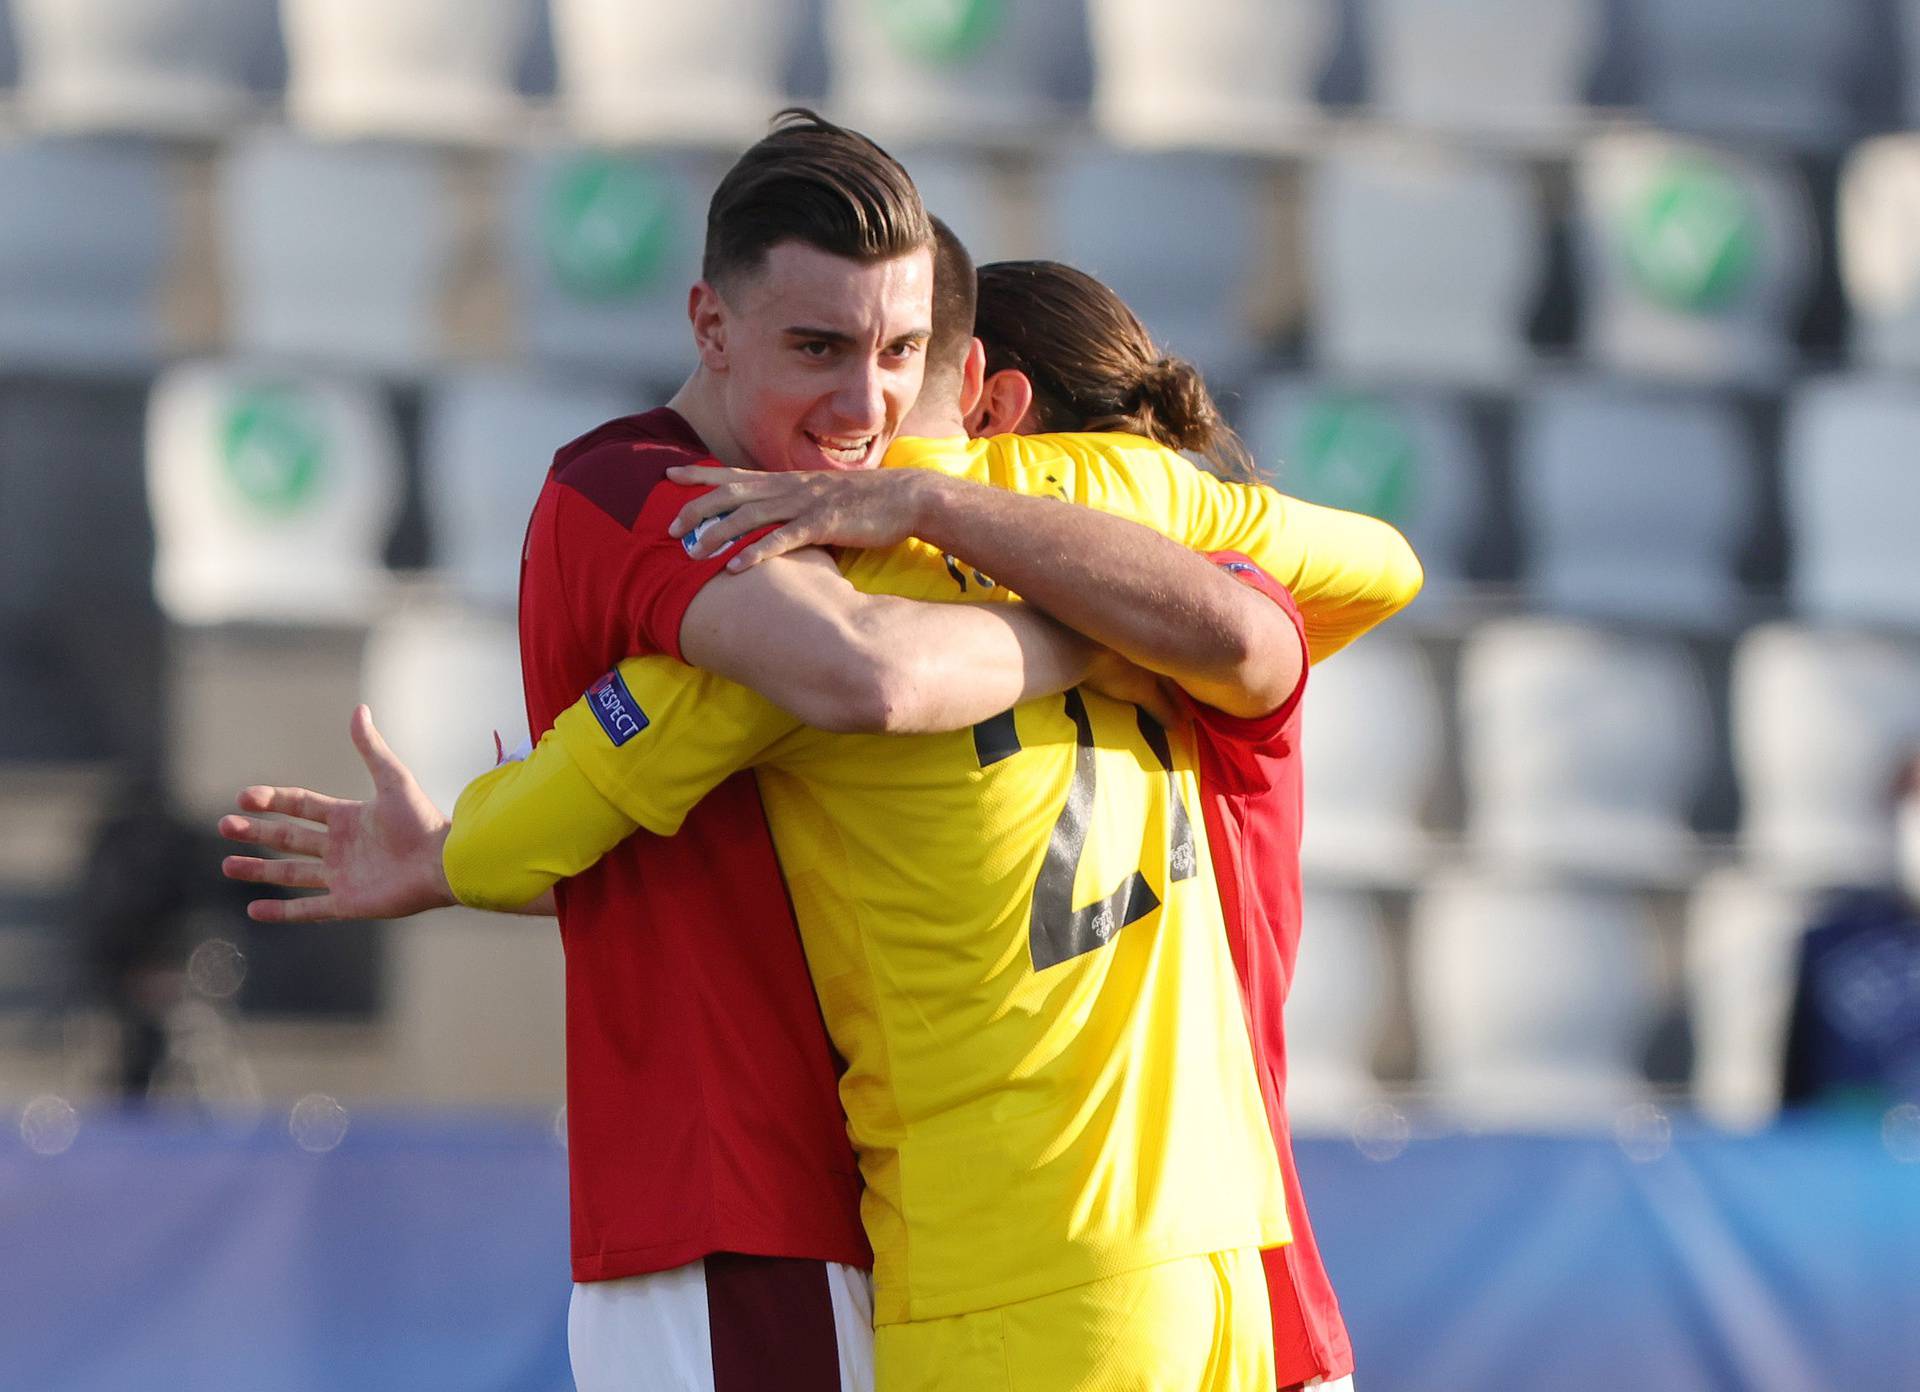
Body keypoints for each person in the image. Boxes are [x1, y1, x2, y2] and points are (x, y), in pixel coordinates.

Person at [224, 134, 1419, 1389]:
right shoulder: (1130, 511)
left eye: (896, 357)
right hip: (1232, 1254)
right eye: (818, 350)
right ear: (712, 322)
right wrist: (1124, 625)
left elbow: (841, 691)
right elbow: (1368, 575)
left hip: (992, 1262)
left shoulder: (828, 571)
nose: (861, 413)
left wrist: (450, 852)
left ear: (972, 380)